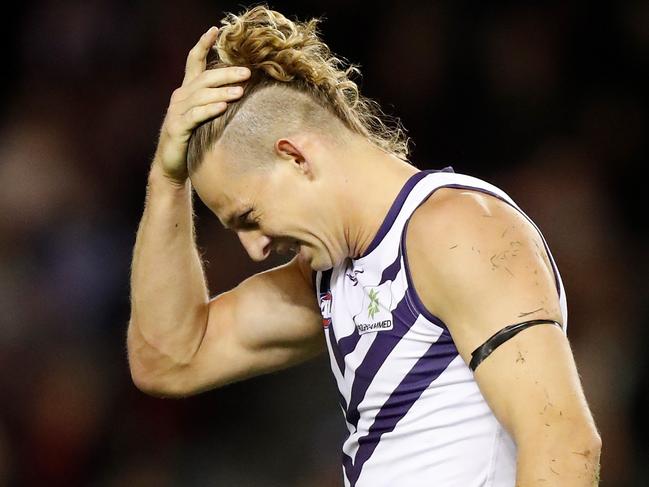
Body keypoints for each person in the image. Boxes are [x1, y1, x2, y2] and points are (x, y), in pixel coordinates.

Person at [127, 6, 601, 486]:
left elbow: (562, 441)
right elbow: (167, 360)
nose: (256, 249)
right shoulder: (332, 274)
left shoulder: (456, 231)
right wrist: (167, 178)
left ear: (294, 157)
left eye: (249, 218)